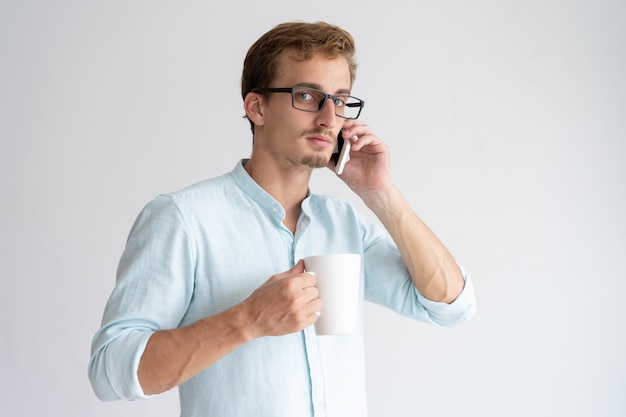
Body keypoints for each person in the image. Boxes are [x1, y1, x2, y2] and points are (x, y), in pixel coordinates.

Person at [88, 21, 476, 417]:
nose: (329, 118)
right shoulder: (184, 219)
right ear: (257, 107)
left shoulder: (344, 224)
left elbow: (450, 305)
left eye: (339, 101)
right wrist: (246, 320)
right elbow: (109, 370)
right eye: (307, 95)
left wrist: (381, 195)